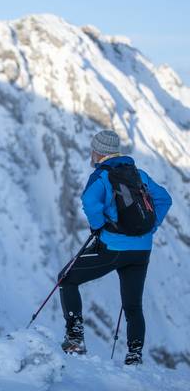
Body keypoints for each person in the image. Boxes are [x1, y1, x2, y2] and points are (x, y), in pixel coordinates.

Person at [58, 130, 172, 365]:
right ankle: (134, 356)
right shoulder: (138, 174)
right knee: (133, 305)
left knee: (67, 278)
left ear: (98, 152)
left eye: (93, 150)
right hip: (142, 250)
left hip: (114, 247)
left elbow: (90, 202)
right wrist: (151, 227)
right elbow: (164, 199)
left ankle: (75, 338)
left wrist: (98, 227)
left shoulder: (102, 176)